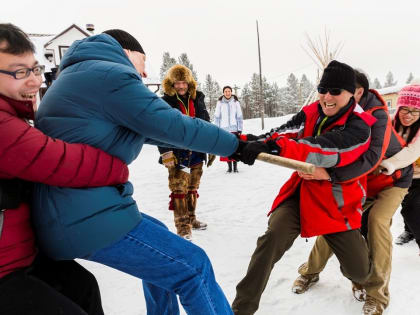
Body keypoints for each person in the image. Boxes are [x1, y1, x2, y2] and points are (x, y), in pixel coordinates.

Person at [32, 29, 237, 315]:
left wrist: (199, 143)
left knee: (164, 245)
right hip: (82, 216)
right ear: (128, 52)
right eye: (143, 62)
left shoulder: (78, 74)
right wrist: (236, 146)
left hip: (66, 210)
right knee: (193, 267)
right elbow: (172, 124)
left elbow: (148, 129)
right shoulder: (110, 76)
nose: (143, 74)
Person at [0, 23, 130, 315]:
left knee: (83, 286)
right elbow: (60, 161)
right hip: (4, 270)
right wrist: (118, 168)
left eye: (34, 69)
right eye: (19, 72)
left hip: (23, 256)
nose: (34, 82)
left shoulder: (15, 116)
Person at [230, 60, 376, 315]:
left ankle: (355, 271)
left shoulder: (360, 126)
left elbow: (323, 148)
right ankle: (241, 309)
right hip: (302, 195)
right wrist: (248, 142)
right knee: (271, 238)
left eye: (335, 91)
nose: (326, 97)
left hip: (337, 203)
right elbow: (283, 132)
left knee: (359, 269)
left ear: (352, 93)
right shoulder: (312, 112)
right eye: (322, 89)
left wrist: (277, 148)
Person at [291, 70, 413, 315]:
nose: (332, 97)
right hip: (360, 181)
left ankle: (377, 294)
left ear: (357, 92)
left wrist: (329, 173)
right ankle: (310, 272)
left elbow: (371, 158)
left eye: (340, 92)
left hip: (391, 181)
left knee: (377, 223)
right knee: (336, 221)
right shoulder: (337, 111)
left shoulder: (376, 116)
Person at [158, 64, 213, 239]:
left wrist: (211, 146)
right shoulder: (165, 102)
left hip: (196, 150)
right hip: (177, 153)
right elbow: (160, 128)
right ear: (171, 84)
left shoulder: (198, 98)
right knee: (178, 190)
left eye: (184, 82)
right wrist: (165, 152)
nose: (181, 86)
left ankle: (192, 219)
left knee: (192, 188)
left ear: (189, 83)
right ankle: (183, 228)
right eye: (177, 83)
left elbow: (206, 122)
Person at [381, 79, 420, 254]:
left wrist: (389, 164)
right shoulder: (390, 123)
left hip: (417, 174)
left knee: (412, 207)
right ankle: (409, 231)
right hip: (401, 174)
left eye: (415, 110)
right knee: (407, 205)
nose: (409, 114)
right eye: (405, 108)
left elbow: (411, 152)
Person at [214, 86, 243, 173]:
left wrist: (239, 129)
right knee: (226, 148)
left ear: (231, 92)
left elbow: (239, 117)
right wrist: (217, 129)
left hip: (234, 129)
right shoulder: (219, 102)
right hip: (224, 130)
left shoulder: (235, 102)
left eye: (229, 91)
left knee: (235, 148)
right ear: (223, 93)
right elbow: (217, 117)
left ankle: (235, 167)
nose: (227, 93)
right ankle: (229, 167)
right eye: (226, 91)